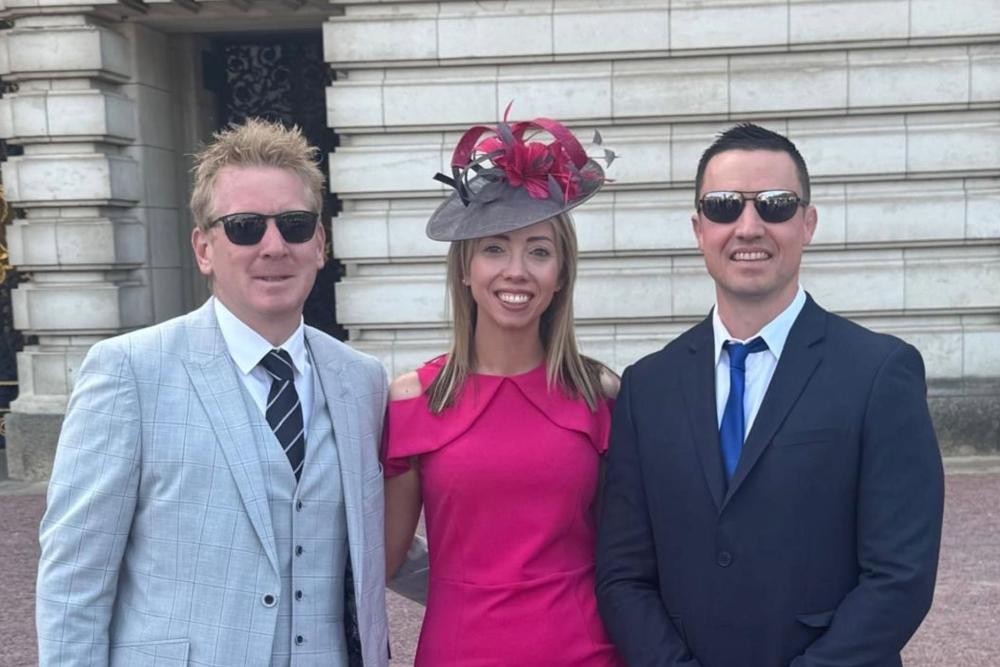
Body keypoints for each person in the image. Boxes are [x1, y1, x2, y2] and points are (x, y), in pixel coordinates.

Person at [36, 119, 389, 667]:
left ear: (320, 243)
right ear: (204, 248)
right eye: (245, 227)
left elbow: (385, 539)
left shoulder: (361, 381)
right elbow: (74, 578)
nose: (274, 246)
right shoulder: (128, 371)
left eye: (295, 225)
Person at [595, 123, 944, 667]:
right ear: (698, 228)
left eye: (776, 205)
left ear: (808, 223)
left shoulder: (879, 373)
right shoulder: (647, 386)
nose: (749, 226)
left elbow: (900, 577)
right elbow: (623, 574)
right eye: (724, 206)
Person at [382, 113, 622, 666]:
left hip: (588, 654)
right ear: (465, 267)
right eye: (494, 248)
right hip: (460, 651)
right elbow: (385, 560)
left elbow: (629, 556)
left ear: (561, 273)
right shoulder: (413, 399)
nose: (517, 270)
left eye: (538, 251)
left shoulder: (600, 393)